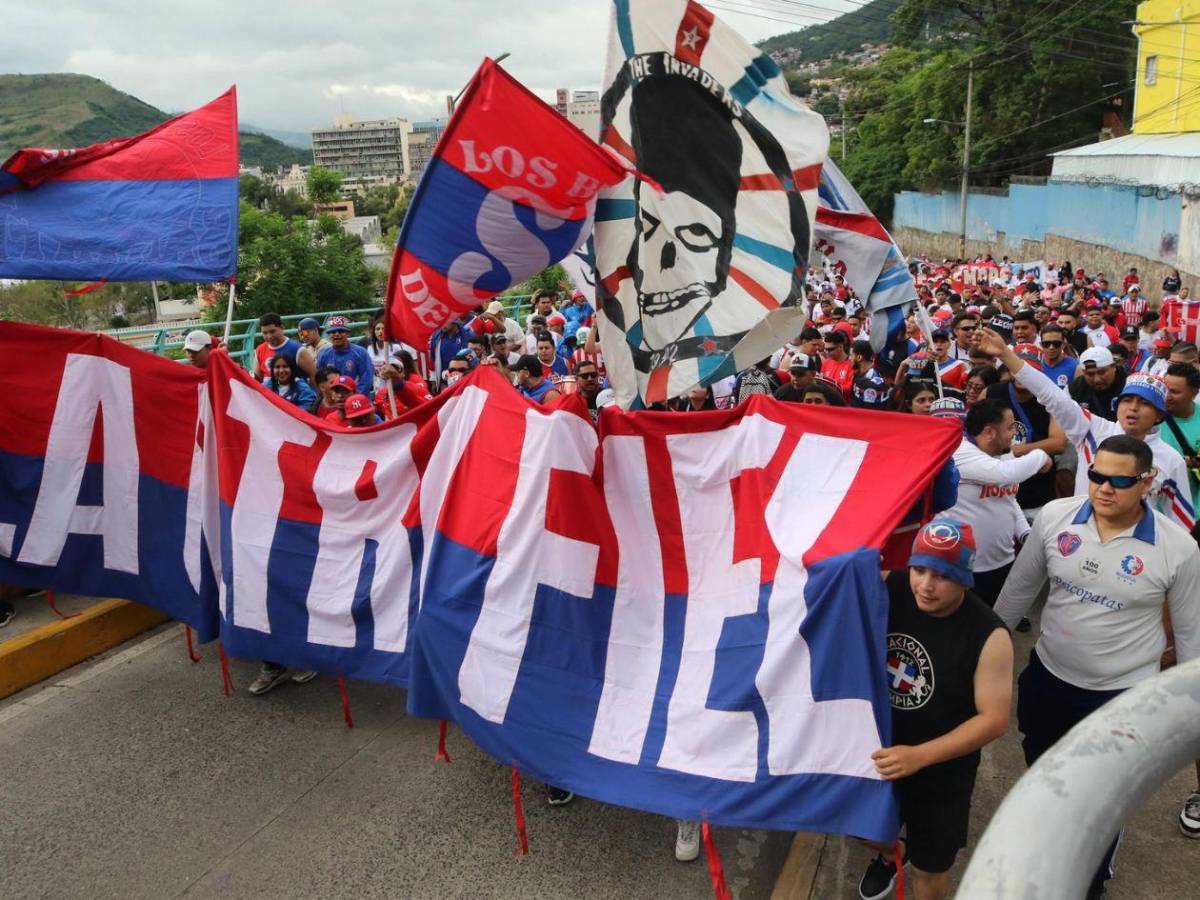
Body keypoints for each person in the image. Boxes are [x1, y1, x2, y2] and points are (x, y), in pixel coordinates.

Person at [995, 435, 1200, 897]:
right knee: (1043, 775)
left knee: (1100, 802)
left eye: (1120, 480)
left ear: (1147, 483)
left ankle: (1087, 882)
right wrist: (976, 656)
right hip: (1048, 681)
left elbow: (1190, 637)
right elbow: (1017, 593)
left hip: (1121, 699)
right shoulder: (1054, 517)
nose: (1104, 488)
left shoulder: (1180, 548)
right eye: (1097, 476)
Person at [856, 520, 1012, 900]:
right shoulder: (892, 587)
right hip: (883, 750)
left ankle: (912, 856)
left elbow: (994, 719)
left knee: (931, 871)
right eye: (920, 569)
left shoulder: (990, 636)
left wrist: (919, 756)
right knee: (859, 830)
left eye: (942, 575)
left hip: (942, 772)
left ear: (965, 579)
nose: (925, 585)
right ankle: (893, 854)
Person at [978, 328, 1195, 533]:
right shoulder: (1093, 429)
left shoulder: (1171, 460)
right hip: (1081, 539)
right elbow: (1051, 395)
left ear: (1159, 414)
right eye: (1127, 400)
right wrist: (1006, 355)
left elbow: (1179, 524)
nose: (1134, 408)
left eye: (1145, 403)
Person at [944, 400, 1051, 607]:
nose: (1014, 434)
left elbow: (1008, 499)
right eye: (1010, 427)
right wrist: (1040, 455)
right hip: (965, 568)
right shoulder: (959, 452)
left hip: (1003, 562)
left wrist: (1025, 533)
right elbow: (1004, 474)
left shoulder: (1004, 452)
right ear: (990, 432)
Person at [1162, 362, 1200, 517]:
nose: (1167, 395)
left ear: (1194, 392)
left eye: (1174, 392)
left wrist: (1194, 461)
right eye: (1165, 389)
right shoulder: (1151, 418)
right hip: (1163, 510)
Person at [315, 315, 374, 395]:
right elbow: (321, 380)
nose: (336, 334)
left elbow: (366, 380)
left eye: (340, 331)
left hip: (356, 399)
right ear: (328, 335)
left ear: (347, 333)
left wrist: (354, 397)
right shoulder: (323, 354)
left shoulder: (360, 353)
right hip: (333, 400)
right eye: (333, 332)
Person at [1069, 347, 1127, 421]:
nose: (1097, 380)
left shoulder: (1130, 386)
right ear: (1083, 372)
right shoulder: (1074, 390)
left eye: (1102, 372)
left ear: (1114, 367)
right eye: (1090, 374)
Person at [252, 312, 300, 382]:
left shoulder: (297, 349)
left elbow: (313, 375)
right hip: (268, 391)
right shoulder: (260, 350)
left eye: (272, 331)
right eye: (265, 333)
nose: (269, 336)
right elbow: (257, 379)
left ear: (282, 328)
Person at [429, 317, 470, 391]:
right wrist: (433, 381)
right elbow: (433, 359)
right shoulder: (436, 336)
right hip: (444, 382)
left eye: (445, 322)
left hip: (464, 382)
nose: (443, 325)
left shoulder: (467, 335)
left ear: (455, 320)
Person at [820, 331, 855, 398]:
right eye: (826, 349)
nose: (827, 352)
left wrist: (831, 388)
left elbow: (850, 388)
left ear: (840, 347)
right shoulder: (826, 363)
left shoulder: (851, 365)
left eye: (830, 349)